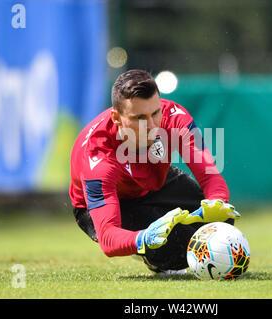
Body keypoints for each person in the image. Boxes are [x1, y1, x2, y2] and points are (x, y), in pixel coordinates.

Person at [69, 69, 240, 274]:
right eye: (140, 117)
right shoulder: (97, 157)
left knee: (223, 222)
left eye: (155, 113)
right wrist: (142, 239)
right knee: (171, 247)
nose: (151, 126)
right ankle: (154, 258)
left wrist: (217, 200)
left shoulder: (175, 117)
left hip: (153, 182)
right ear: (116, 118)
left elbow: (210, 175)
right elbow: (108, 237)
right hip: (111, 202)